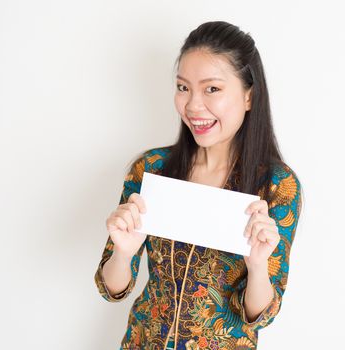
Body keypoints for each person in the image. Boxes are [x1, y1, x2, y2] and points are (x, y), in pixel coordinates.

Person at [94, 20, 303, 350]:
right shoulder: (152, 169)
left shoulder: (276, 185)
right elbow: (112, 288)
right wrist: (123, 251)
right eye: (183, 87)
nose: (192, 105)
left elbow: (260, 314)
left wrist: (257, 265)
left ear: (249, 95)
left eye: (212, 89)